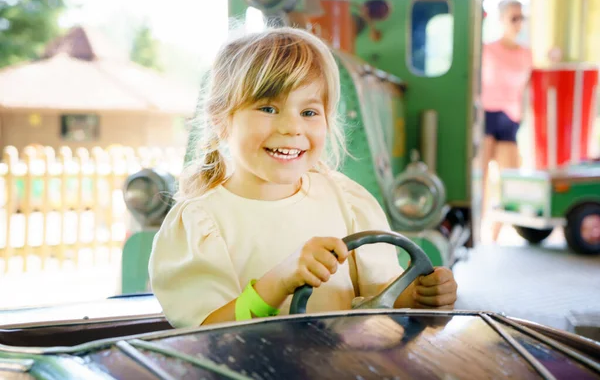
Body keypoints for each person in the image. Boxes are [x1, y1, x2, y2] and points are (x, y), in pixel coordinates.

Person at [149, 27, 458, 328]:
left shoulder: (346, 200)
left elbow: (384, 293)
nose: (292, 128)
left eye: (309, 113)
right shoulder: (202, 222)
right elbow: (207, 332)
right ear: (221, 121)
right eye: (268, 108)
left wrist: (419, 294)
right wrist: (279, 280)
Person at [480, 0, 533, 242]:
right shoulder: (487, 50)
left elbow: (529, 89)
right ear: (501, 20)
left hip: (510, 119)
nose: (518, 23)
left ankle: (496, 229)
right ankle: (478, 224)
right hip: (487, 115)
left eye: (521, 18)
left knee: (509, 176)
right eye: (513, 18)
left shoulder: (526, 54)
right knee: (480, 175)